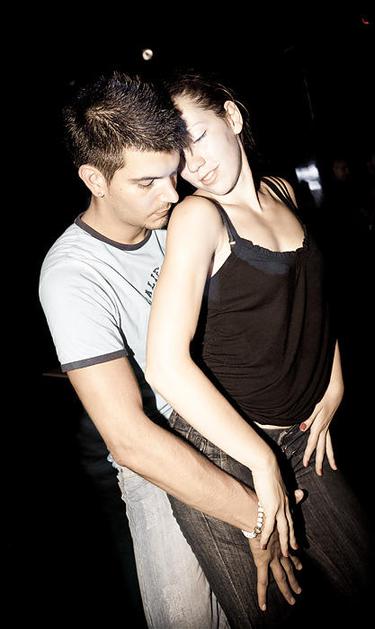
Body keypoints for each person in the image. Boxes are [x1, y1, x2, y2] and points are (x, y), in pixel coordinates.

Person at [39, 70, 302, 628]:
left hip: (241, 422)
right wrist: (257, 514)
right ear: (95, 178)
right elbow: (131, 440)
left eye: (172, 172)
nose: (173, 193)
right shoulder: (72, 275)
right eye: (147, 182)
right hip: (163, 460)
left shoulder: (180, 217)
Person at [146, 71, 371, 628]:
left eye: (196, 136)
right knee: (275, 616)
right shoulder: (198, 217)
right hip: (224, 454)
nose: (193, 165)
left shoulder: (281, 192)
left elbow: (315, 294)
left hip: (301, 442)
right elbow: (164, 365)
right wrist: (260, 460)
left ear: (232, 117)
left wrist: (334, 379)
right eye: (177, 155)